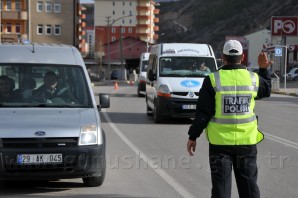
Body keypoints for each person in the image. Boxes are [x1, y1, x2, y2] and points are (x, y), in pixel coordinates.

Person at [186, 40, 272, 198]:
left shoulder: (212, 80)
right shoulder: (253, 78)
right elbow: (266, 90)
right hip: (246, 142)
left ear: (222, 57)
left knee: (221, 187)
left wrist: (193, 136)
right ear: (242, 56)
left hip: (220, 144)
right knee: (249, 187)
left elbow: (203, 113)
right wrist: (264, 69)